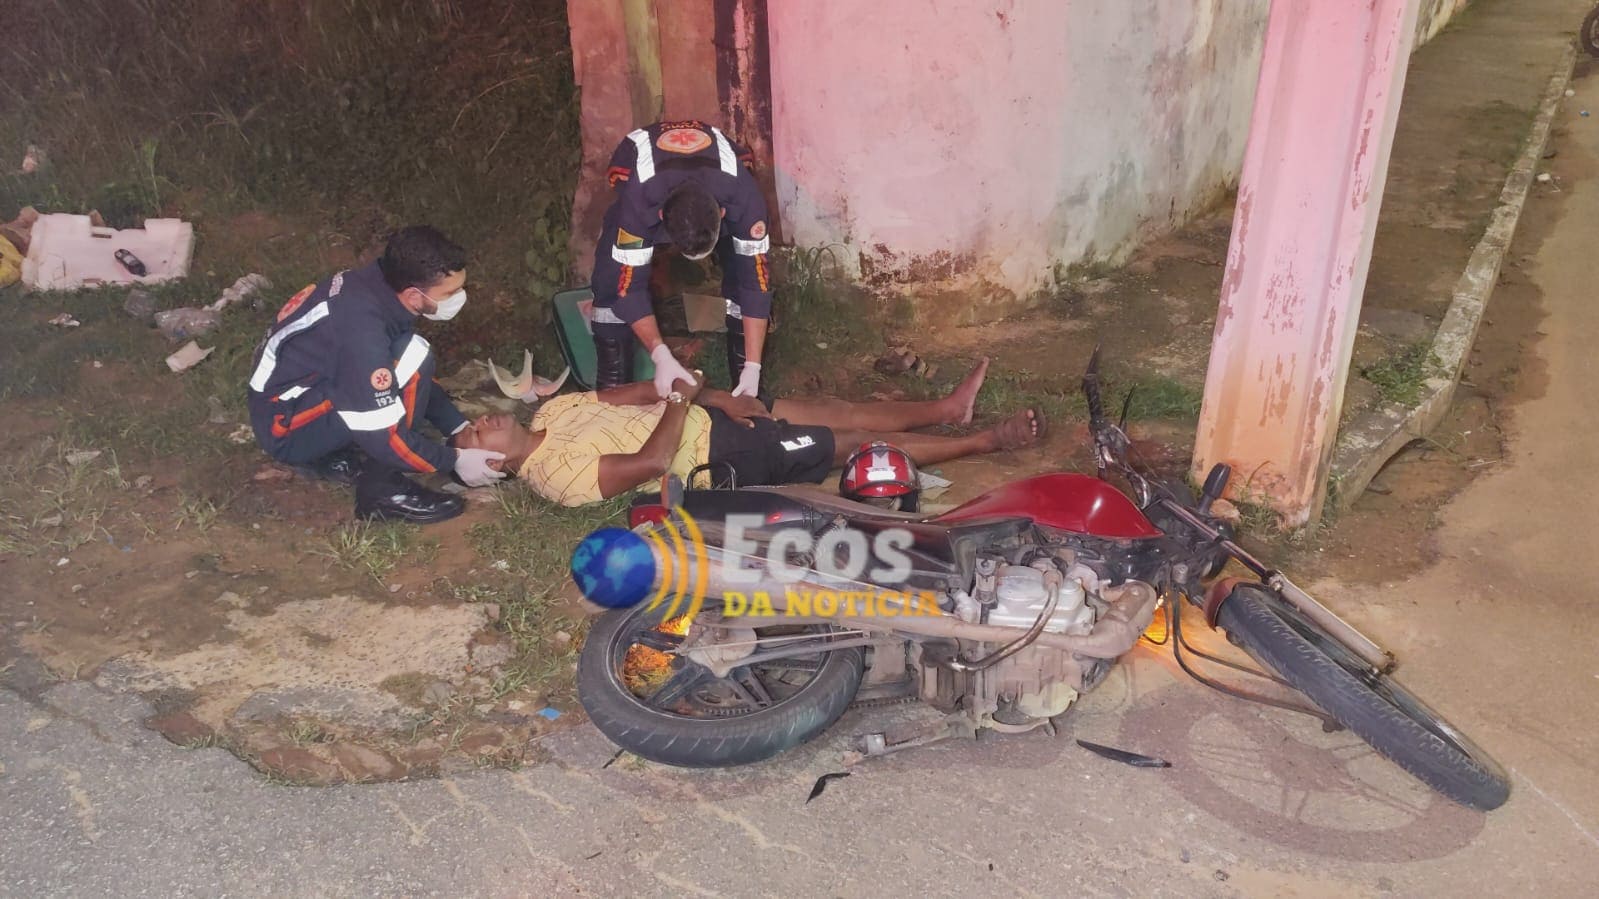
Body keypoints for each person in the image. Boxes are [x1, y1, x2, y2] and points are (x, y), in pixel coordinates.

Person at [451, 358, 1044, 508]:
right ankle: (986, 443)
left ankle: (946, 408)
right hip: (718, 456)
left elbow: (638, 393)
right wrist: (688, 403)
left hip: (712, 419)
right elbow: (655, 463)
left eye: (473, 425)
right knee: (843, 446)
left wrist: (723, 398)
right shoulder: (556, 478)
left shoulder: (551, 414)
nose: (482, 423)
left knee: (828, 408)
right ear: (498, 468)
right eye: (477, 439)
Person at [246, 226, 507, 523]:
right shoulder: (361, 330)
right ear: (413, 294)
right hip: (286, 427)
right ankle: (383, 490)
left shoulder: (374, 288)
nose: (458, 298)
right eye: (450, 293)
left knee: (408, 355)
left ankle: (334, 454)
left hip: (300, 397)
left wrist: (455, 426)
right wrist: (454, 460)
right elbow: (384, 434)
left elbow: (408, 375)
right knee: (413, 355)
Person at [589, 119, 773, 398]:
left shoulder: (745, 199)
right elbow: (628, 290)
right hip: (640, 172)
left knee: (742, 269)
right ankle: (614, 391)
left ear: (722, 214)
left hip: (717, 179)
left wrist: (754, 365)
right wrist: (661, 355)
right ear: (661, 218)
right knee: (610, 279)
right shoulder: (638, 202)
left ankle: (746, 390)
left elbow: (756, 284)